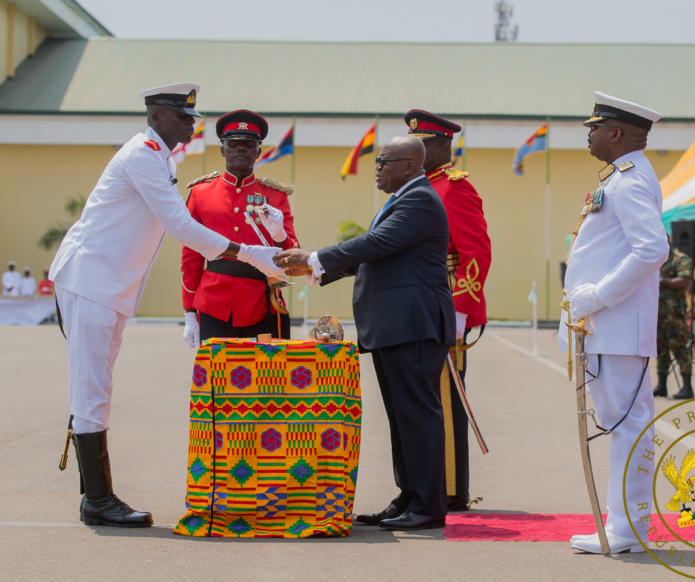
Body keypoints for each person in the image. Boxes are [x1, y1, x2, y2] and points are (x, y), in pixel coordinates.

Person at [48, 82, 282, 529]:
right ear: (156, 117)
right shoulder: (141, 155)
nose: (191, 125)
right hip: (91, 280)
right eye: (183, 117)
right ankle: (97, 498)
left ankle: (94, 496)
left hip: (108, 285)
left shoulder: (159, 157)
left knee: (97, 385)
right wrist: (251, 253)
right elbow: (180, 225)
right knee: (91, 387)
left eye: (193, 118)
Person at [275, 135, 456, 531]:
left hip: (414, 325)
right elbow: (379, 256)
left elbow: (378, 243)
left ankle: (427, 505)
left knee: (418, 416)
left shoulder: (419, 199)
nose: (377, 168)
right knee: (402, 417)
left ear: (410, 165)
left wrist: (315, 257)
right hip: (398, 326)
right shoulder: (404, 198)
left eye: (384, 161)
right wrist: (315, 267)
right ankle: (409, 496)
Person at [560, 92, 669, 554]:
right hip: (609, 327)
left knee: (627, 425)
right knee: (624, 425)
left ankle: (627, 528)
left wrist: (598, 295)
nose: (590, 134)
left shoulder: (630, 182)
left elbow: (652, 249)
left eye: (595, 128)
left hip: (616, 325)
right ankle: (626, 524)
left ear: (617, 134)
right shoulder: (623, 179)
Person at [407, 109, 491, 512]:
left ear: (444, 146)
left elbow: (475, 253)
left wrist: (459, 311)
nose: (416, 151)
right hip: (418, 305)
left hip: (444, 307)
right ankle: (428, 486)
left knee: (444, 399)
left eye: (423, 145)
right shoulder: (418, 186)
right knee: (424, 399)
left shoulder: (454, 188)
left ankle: (452, 489)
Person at [181, 110, 299, 345]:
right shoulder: (200, 193)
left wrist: (278, 235)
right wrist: (189, 311)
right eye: (234, 144)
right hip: (214, 304)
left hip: (263, 304)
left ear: (258, 151)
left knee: (266, 379)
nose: (241, 149)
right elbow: (191, 257)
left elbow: (293, 253)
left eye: (249, 144)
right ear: (223, 149)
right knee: (217, 379)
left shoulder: (275, 196)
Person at [653, 242, 693, 398]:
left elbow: (683, 281)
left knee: (679, 349)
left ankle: (687, 387)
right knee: (661, 350)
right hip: (658, 314)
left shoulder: (680, 260)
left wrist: (662, 279)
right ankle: (662, 385)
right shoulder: (657, 259)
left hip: (674, 315)